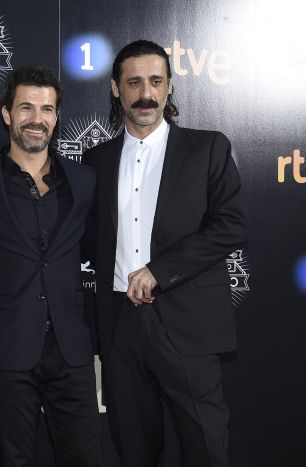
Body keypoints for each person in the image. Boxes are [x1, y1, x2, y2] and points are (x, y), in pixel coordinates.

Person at [84, 40, 247, 467]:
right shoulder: (94, 161)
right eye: (134, 82)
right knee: (133, 448)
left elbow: (231, 225)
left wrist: (159, 270)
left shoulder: (207, 148)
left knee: (206, 448)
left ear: (170, 87)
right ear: (116, 90)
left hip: (188, 324)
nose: (146, 93)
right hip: (120, 327)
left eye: (156, 81)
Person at [0, 66, 100, 467]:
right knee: (12, 458)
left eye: (47, 109)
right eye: (26, 108)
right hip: (7, 344)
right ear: (7, 114)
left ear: (56, 117)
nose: (37, 120)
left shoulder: (85, 181)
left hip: (70, 347)